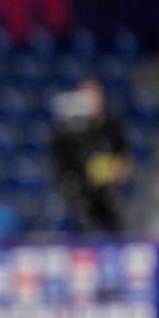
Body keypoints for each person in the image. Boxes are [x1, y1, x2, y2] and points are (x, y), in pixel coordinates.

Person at [50, 78, 132, 232]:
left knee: (113, 227)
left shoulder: (112, 128)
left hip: (107, 192)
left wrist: (114, 172)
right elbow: (61, 161)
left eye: (93, 97)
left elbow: (124, 161)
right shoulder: (68, 132)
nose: (89, 102)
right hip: (79, 193)